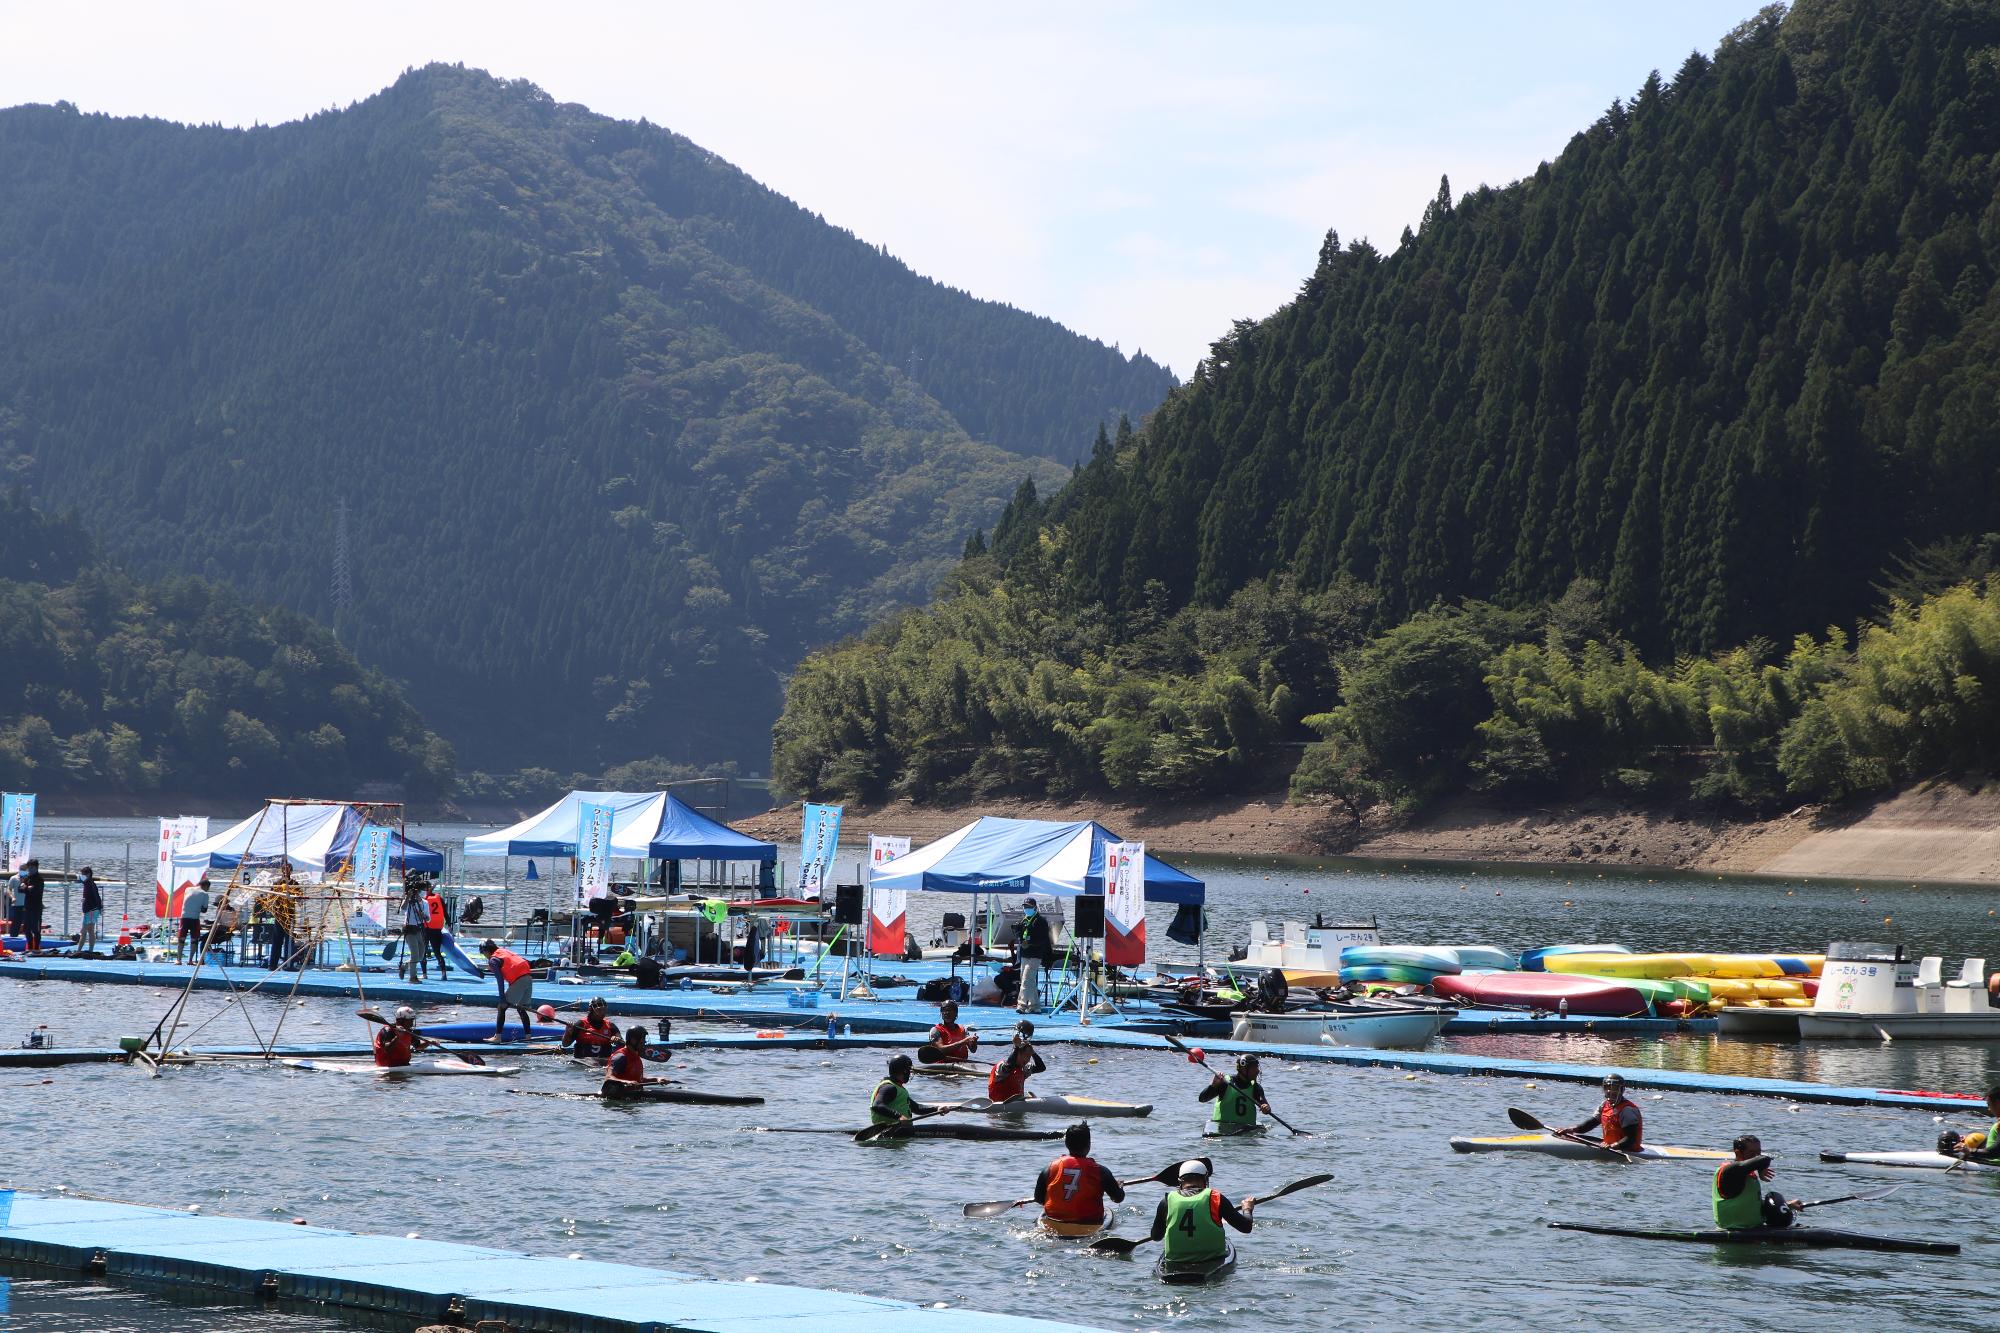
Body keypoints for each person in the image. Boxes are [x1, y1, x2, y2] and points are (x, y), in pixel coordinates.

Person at [1149, 1159, 1255, 1265]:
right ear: (1205, 1180)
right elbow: (1246, 1227)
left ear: (1180, 1182)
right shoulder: (1216, 1198)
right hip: (1212, 1261)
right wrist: (1247, 1209)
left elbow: (1156, 1237)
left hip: (1175, 1263)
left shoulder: (1167, 1201)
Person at [1035, 1122, 1126, 1229]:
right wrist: (1119, 1187)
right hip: (1089, 1222)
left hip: (1054, 1220)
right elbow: (1118, 1198)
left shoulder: (1049, 1168)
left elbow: (1039, 1198)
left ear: (1066, 1144)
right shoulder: (1101, 1171)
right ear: (1089, 1145)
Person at [1713, 1134, 1797, 1230]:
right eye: (1752, 1153)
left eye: (1759, 1152)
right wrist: (1761, 1168)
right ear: (1738, 1153)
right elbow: (1763, 1159)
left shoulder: (1749, 1175)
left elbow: (1750, 1205)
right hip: (1734, 1230)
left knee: (1774, 1200)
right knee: (1772, 1195)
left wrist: (1787, 1205)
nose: (1756, 1156)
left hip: (1754, 1229)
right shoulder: (1729, 1171)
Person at [1562, 1073, 1644, 1153]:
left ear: (1622, 1090)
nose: (1610, 1091)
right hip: (1609, 1147)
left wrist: (1612, 1146)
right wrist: (1571, 1129)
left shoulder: (1627, 1110)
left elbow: (1631, 1139)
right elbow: (1589, 1124)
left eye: (1614, 1088)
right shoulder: (1604, 1105)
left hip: (1627, 1150)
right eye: (1608, 1088)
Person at [478, 938, 536, 1040]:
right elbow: (520, 962)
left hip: (520, 980)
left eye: (483, 953)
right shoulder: (503, 951)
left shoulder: (493, 960)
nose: (484, 955)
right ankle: (528, 1036)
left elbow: (500, 980)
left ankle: (497, 1037)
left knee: (501, 1007)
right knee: (521, 1008)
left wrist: (502, 999)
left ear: (486, 951)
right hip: (528, 977)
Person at [1200, 1054, 1272, 1134]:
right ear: (1244, 1069)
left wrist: (1266, 1108)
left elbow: (1265, 1106)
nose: (1257, 1071)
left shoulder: (1256, 1088)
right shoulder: (1225, 1083)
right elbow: (1202, 1099)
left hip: (1246, 1129)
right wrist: (1213, 1085)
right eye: (1254, 1068)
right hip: (1223, 1127)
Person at [870, 1053, 938, 1129]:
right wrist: (899, 1116)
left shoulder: (898, 1088)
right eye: (909, 1070)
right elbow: (877, 1105)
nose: (910, 1073)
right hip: (892, 1131)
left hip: (898, 1131)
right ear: (904, 1071)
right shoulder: (889, 1087)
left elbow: (917, 1108)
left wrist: (937, 1109)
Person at [988, 1024, 1046, 1103]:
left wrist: (1033, 1053)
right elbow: (1009, 1066)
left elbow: (1041, 1068)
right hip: (998, 1109)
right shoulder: (1001, 1067)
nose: (1027, 1059)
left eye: (1029, 1056)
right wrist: (1016, 1046)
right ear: (1017, 1054)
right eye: (1026, 1055)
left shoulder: (1024, 1069)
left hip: (1016, 1106)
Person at [1939, 1087, 2000, 1162]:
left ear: (1998, 1103)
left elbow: (1996, 1152)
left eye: (1989, 1105)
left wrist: (1970, 1150)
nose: (1989, 1109)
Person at [1016, 898, 1054, 1014]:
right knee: (1027, 979)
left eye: (1028, 907)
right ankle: (1035, 1006)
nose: (1026, 909)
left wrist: (1030, 942)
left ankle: (1021, 1004)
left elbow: (1043, 940)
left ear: (1034, 907)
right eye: (1025, 907)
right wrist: (1018, 934)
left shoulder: (1040, 921)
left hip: (1035, 955)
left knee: (1027, 979)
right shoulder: (1024, 920)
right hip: (1025, 954)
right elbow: (1021, 936)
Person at [603, 1025, 660, 1098]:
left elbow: (638, 1080)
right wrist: (627, 1082)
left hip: (634, 1097)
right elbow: (608, 1077)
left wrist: (656, 1079)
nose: (644, 1042)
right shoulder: (620, 1057)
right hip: (618, 1100)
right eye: (642, 1040)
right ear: (633, 1041)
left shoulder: (635, 1056)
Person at [919, 999, 979, 1064]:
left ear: (956, 1013)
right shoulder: (935, 1030)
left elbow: (973, 1050)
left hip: (962, 1064)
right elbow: (940, 1050)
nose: (946, 1013)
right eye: (944, 1010)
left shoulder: (963, 1030)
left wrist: (974, 1042)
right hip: (944, 1065)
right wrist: (962, 1042)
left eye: (950, 1010)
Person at [563, 996, 622, 1061]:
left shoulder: (610, 1026)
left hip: (602, 1063)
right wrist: (567, 1032)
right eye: (599, 1010)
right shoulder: (580, 1024)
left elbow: (623, 1045)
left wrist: (617, 1040)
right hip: (582, 1062)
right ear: (591, 1010)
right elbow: (565, 1044)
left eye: (604, 1010)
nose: (602, 1013)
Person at [173, 875, 210, 963]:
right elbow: (204, 910)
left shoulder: (188, 889)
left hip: (184, 917)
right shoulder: (205, 894)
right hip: (194, 918)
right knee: (194, 940)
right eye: (208, 888)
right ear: (205, 886)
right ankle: (190, 960)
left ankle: (178, 959)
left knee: (181, 938)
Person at [398, 881, 429, 982]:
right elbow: (402, 910)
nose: (423, 892)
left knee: (420, 956)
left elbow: (428, 919)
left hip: (419, 929)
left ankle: (405, 966)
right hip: (409, 929)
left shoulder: (425, 903)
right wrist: (407, 898)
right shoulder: (410, 902)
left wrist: (423, 916)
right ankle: (413, 977)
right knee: (415, 954)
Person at [422, 878, 451, 977]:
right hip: (437, 928)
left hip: (427, 928)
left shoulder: (423, 899)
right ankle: (443, 973)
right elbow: (446, 913)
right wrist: (449, 924)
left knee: (423, 951)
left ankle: (424, 974)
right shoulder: (439, 898)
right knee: (437, 952)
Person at [18, 859, 45, 953]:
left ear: (36, 868)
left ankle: (37, 948)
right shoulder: (27, 878)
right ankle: (29, 947)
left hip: (36, 908)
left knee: (36, 929)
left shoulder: (39, 879)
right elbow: (19, 889)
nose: (30, 869)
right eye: (29, 867)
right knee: (26, 929)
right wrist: (26, 888)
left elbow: (35, 892)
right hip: (27, 907)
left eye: (32, 867)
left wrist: (26, 888)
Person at [75, 867, 103, 953]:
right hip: (94, 910)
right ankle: (90, 950)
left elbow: (93, 896)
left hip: (90, 910)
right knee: (91, 930)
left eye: (83, 874)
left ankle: (78, 950)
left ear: (88, 874)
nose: (82, 876)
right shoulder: (90, 883)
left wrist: (85, 900)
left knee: (83, 932)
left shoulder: (88, 884)